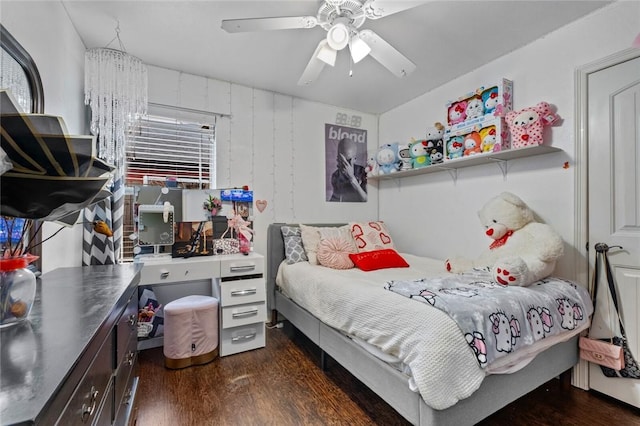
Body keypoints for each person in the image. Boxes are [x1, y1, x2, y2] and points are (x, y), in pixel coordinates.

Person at [329, 137, 367, 202]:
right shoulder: (336, 175)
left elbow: (367, 199)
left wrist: (352, 178)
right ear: (338, 159)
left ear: (355, 159)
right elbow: (336, 198)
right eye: (342, 160)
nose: (345, 164)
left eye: (348, 160)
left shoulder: (362, 171)